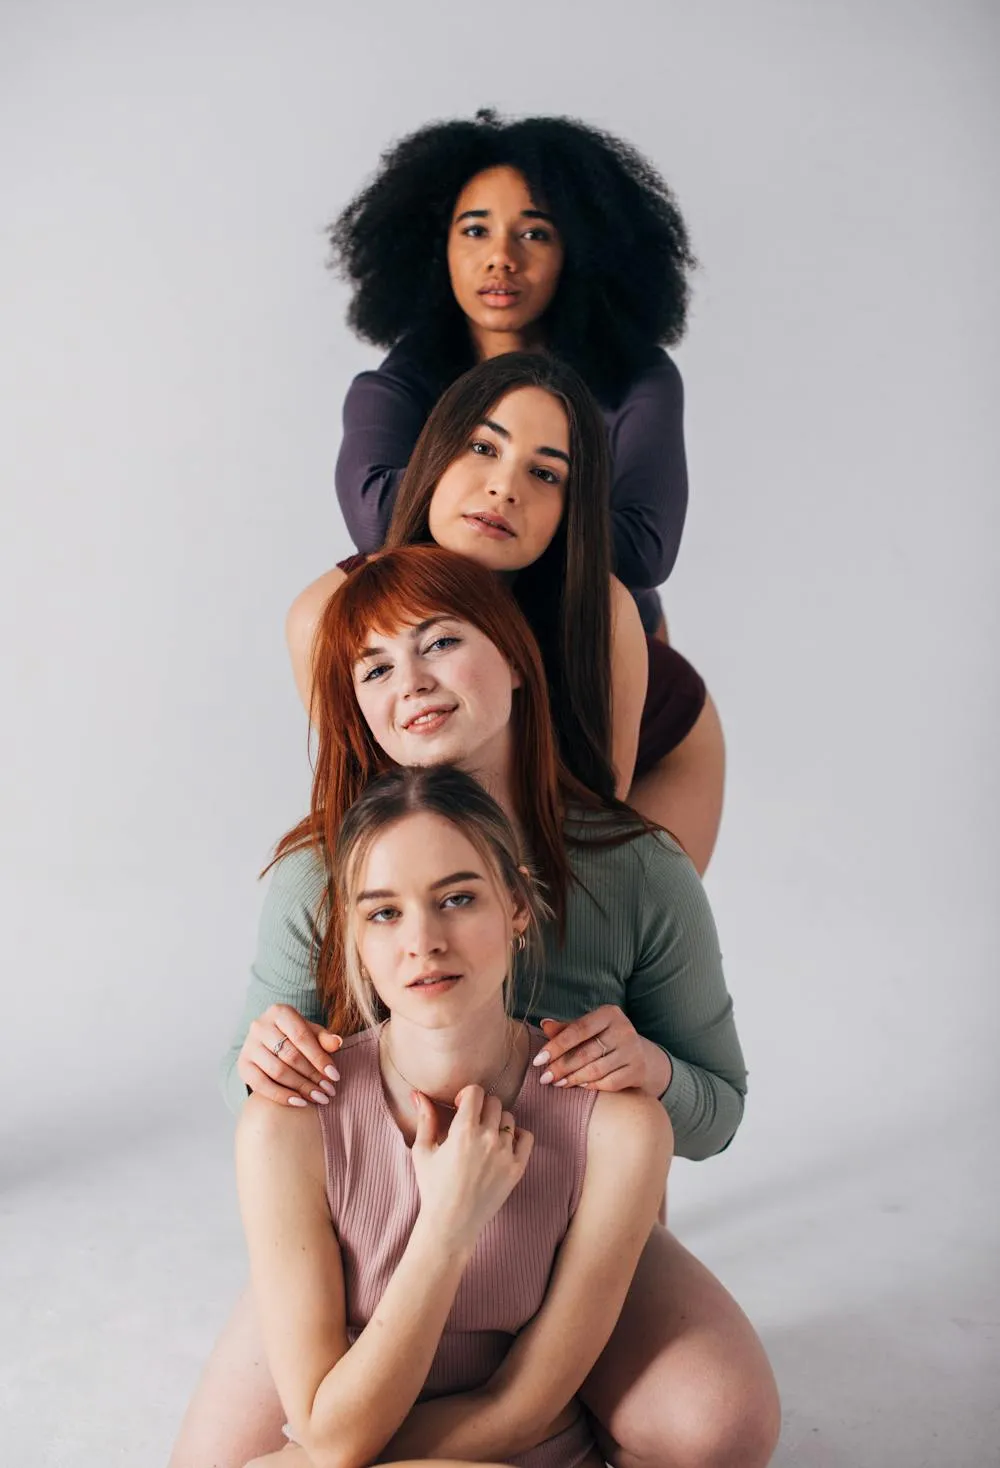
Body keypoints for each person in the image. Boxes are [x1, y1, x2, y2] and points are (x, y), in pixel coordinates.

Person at [170, 547, 778, 1468]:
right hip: (376, 1219)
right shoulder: (316, 873)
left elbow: (716, 1110)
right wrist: (261, 1059)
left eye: (441, 643)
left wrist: (651, 1072)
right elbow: (260, 1103)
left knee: (716, 1426)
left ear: (514, 657)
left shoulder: (637, 869)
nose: (410, 683)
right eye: (374, 668)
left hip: (571, 1207)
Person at [293, 111, 725, 867]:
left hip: (608, 675)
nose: (502, 258)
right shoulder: (392, 386)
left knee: (607, 935)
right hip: (455, 657)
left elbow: (647, 545)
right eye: (474, 231)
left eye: (534, 233)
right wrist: (552, 514)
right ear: (435, 246)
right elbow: (376, 525)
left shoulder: (638, 377)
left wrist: (479, 518)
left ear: (578, 251)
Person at [236, 763, 672, 1468]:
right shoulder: (286, 1125)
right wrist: (445, 1226)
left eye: (458, 899)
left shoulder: (619, 1128)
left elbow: (519, 1410)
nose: (424, 941)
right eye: (384, 912)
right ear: (353, 936)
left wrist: (327, 1452)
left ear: (518, 907)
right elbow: (321, 1426)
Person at [289, 352, 719, 871]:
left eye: (544, 473)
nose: (504, 488)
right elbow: (366, 805)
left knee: (600, 910)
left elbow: (584, 831)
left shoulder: (603, 609)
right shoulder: (326, 614)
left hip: (665, 745)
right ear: (434, 454)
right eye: (482, 446)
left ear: (569, 509)